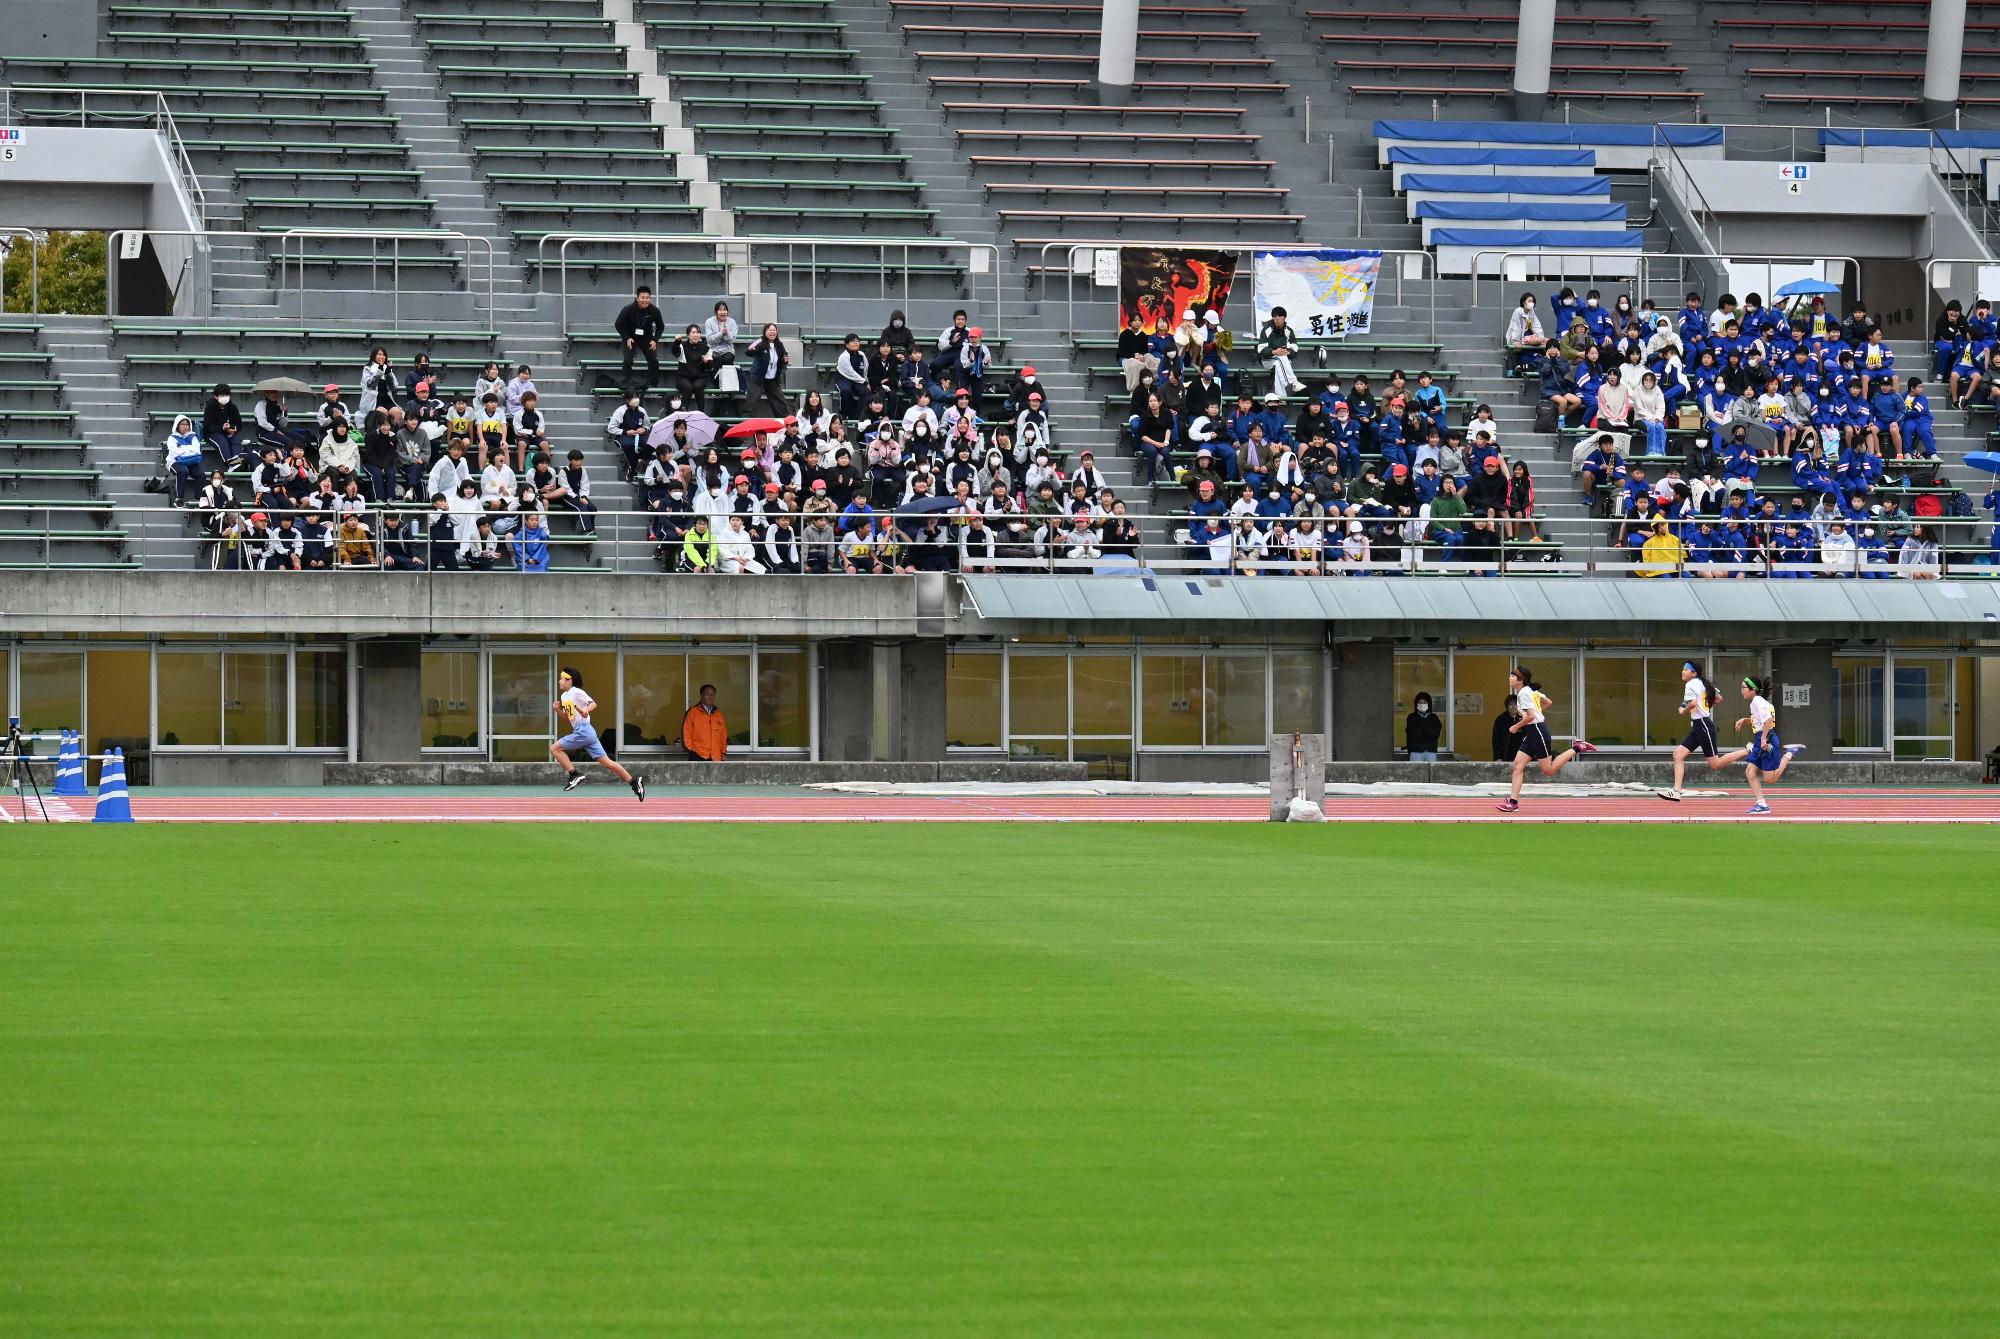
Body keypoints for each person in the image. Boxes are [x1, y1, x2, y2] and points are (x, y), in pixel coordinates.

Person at [1495, 665, 1597, 813]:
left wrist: (1516, 726)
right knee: (1517, 765)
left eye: (1512, 676)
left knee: (1548, 770)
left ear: (1520, 679)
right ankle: (1513, 802)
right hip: (1531, 733)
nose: (1509, 678)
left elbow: (1531, 716)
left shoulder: (1524, 693)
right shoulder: (1531, 691)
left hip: (1537, 732)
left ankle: (1578, 748)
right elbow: (1548, 702)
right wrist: (1536, 712)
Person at [1713, 675, 1805, 814]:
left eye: (1743, 687)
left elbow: (1768, 721)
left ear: (1753, 689)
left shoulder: (1757, 701)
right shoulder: (1758, 701)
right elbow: (1760, 720)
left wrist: (1763, 739)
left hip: (1767, 739)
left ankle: (1789, 753)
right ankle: (1761, 804)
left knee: (1770, 779)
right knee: (1750, 772)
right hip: (1761, 738)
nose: (1741, 690)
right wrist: (1745, 720)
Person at [551, 666, 645, 799]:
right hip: (586, 732)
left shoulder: (576, 692)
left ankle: (574, 774)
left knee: (554, 748)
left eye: (561, 679)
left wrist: (586, 710)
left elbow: (593, 703)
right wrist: (557, 710)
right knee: (607, 763)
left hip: (584, 730)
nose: (559, 681)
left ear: (569, 680)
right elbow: (567, 718)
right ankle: (634, 782)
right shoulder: (564, 696)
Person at [1658, 661, 1725, 801]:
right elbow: (1719, 699)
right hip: (1699, 725)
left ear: (1694, 673)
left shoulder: (1690, 684)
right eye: (1683, 669)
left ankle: (1747, 751)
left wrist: (1683, 711)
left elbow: (1693, 703)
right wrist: (1704, 704)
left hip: (1703, 725)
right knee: (1678, 755)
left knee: (1715, 764)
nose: (1683, 671)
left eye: (1686, 669)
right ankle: (1676, 791)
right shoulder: (1703, 683)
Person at [615, 285, 665, 388]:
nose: (645, 300)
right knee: (628, 359)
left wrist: (655, 340)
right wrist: (626, 338)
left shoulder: (654, 310)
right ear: (637, 298)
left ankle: (652, 384)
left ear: (650, 298)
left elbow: (661, 327)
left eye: (647, 298)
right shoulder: (628, 309)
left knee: (653, 360)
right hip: (630, 337)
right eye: (642, 298)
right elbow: (618, 324)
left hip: (646, 337)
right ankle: (625, 383)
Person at [680, 681, 728, 761]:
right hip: (697, 756)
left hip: (715, 757)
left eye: (713, 694)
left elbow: (723, 736)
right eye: (707, 694)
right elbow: (686, 733)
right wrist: (692, 751)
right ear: (701, 696)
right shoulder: (692, 712)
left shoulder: (718, 714)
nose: (710, 697)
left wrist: (723, 752)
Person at [1405, 690, 1442, 761]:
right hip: (1415, 752)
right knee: (1416, 769)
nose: (1422, 704)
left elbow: (1435, 734)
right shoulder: (1412, 717)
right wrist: (1427, 731)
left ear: (1429, 704)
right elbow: (1412, 734)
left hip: (1431, 752)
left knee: (1432, 769)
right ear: (1416, 704)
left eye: (1424, 702)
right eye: (1420, 702)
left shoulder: (1434, 717)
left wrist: (1420, 729)